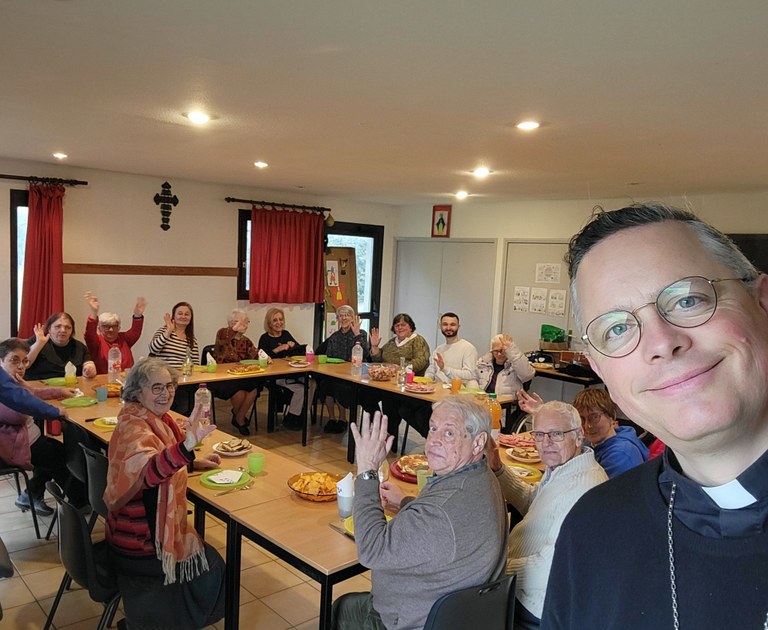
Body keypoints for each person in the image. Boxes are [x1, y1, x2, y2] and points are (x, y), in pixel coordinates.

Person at [541, 204, 768, 628]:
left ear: (763, 303)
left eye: (687, 299)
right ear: (601, 371)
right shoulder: (592, 529)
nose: (661, 343)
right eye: (618, 328)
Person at [332, 398, 508, 630]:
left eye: (449, 433)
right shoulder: (483, 477)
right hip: (459, 614)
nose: (433, 440)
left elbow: (371, 550)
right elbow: (445, 527)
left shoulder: (440, 512)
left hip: (412, 620)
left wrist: (367, 471)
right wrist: (406, 501)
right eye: (433, 428)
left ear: (478, 443)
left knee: (342, 608)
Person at [104, 357, 225, 629]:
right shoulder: (134, 426)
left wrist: (192, 462)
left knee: (209, 562)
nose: (166, 393)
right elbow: (147, 470)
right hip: (138, 542)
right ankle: (162, 621)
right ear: (137, 391)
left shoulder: (153, 418)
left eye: (169, 386)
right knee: (214, 568)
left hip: (132, 531)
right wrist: (185, 449)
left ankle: (159, 618)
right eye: (156, 387)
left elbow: (157, 459)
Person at [488, 401, 606, 628]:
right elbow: (535, 502)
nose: (545, 444)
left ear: (579, 435)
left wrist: (496, 567)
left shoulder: (584, 488)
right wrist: (499, 470)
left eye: (556, 434)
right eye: (539, 434)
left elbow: (547, 570)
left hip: (534, 606)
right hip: (523, 584)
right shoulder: (566, 467)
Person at [0, 338, 86, 515]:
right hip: (13, 445)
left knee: (56, 450)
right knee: (63, 456)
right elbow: (19, 411)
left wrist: (58, 392)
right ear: (1, 361)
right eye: (14, 360)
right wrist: (54, 411)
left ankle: (30, 495)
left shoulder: (11, 382)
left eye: (24, 361)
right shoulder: (5, 386)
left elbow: (29, 394)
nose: (21, 366)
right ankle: (81, 501)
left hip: (27, 439)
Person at [368, 313, 431, 449]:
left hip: (409, 386)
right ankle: (384, 431)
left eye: (403, 325)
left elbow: (421, 360)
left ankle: (390, 437)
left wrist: (401, 369)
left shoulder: (418, 340)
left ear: (411, 327)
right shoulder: (392, 342)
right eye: (397, 325)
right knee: (366, 396)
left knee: (392, 401)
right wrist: (374, 348)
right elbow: (379, 360)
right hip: (388, 384)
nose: (400, 328)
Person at [257, 307, 315, 431]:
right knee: (301, 389)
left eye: (281, 319)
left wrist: (294, 346)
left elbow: (299, 351)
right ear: (269, 323)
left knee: (312, 383)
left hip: (291, 372)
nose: (279, 323)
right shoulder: (264, 338)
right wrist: (278, 349)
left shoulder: (286, 334)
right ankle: (291, 418)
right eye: (275, 320)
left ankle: (303, 414)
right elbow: (262, 358)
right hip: (276, 376)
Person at [316, 305, 370, 434]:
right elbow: (329, 356)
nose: (344, 318)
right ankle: (331, 418)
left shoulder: (360, 333)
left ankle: (342, 419)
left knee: (340, 388)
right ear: (338, 319)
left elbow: (366, 354)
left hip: (355, 375)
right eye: (341, 316)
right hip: (337, 373)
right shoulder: (334, 336)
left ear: (353, 318)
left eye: (347, 315)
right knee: (325, 385)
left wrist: (357, 334)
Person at [572, 388, 648, 478]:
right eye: (582, 419)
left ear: (611, 416)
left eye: (594, 417)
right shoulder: (590, 444)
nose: (588, 426)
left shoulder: (621, 454)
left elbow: (596, 490)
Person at [212, 308, 261, 435]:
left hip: (240, 376)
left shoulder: (246, 341)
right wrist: (234, 328)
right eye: (242, 322)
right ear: (231, 323)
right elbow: (224, 337)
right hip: (223, 377)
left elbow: (255, 355)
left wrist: (265, 357)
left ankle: (238, 417)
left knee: (253, 389)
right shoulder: (222, 334)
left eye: (247, 322)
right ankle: (240, 419)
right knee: (238, 393)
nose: (245, 325)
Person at [83, 291, 147, 373]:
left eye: (114, 326)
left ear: (119, 327)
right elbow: (89, 334)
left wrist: (137, 315)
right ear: (99, 329)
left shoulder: (124, 339)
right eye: (106, 326)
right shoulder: (96, 342)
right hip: (103, 381)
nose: (111, 330)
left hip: (126, 381)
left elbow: (135, 332)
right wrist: (94, 313)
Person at [24, 312, 97, 381]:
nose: (63, 330)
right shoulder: (37, 340)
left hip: (71, 388)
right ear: (49, 329)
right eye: (57, 326)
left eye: (68, 327)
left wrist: (90, 369)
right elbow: (24, 365)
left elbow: (89, 364)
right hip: (38, 388)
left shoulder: (79, 347)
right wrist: (38, 344)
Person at [424, 312, 479, 385]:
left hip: (457, 393)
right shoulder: (438, 349)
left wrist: (445, 368)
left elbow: (469, 375)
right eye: (445, 324)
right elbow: (432, 369)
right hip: (436, 390)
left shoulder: (468, 348)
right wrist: (426, 379)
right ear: (440, 326)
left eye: (452, 324)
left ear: (458, 327)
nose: (448, 328)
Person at [148, 301, 199, 371]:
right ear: (174, 316)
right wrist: (168, 331)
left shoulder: (192, 340)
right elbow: (153, 349)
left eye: (187, 314)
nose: (183, 316)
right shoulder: (163, 331)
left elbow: (196, 364)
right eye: (180, 313)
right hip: (163, 376)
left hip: (184, 377)